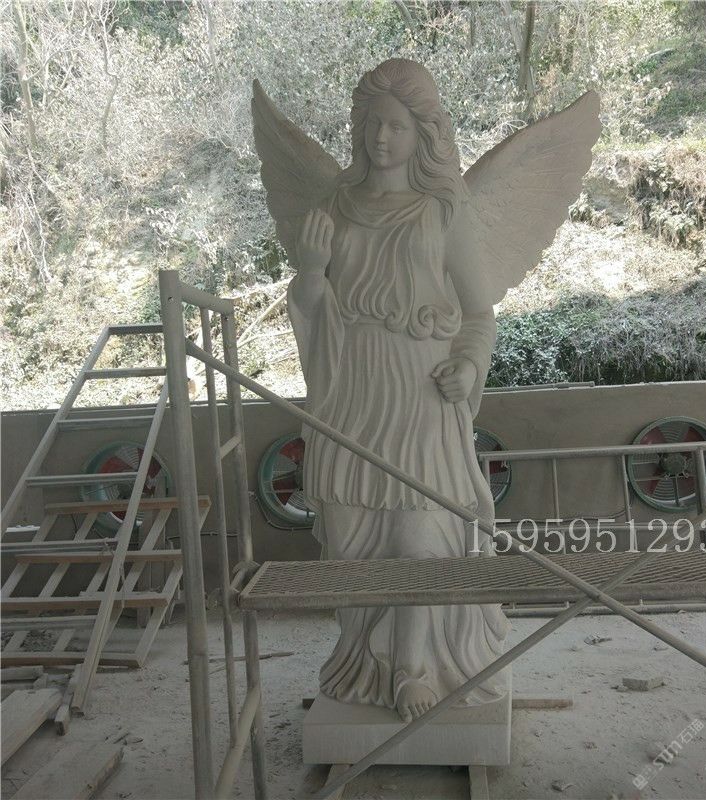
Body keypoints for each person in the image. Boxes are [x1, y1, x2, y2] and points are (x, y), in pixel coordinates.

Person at [287, 59, 508, 723]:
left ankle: (415, 668)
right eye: (371, 123)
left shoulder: (442, 212)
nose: (380, 137)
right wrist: (312, 270)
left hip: (421, 393)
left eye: (395, 125)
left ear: (422, 134)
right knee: (350, 540)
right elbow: (310, 305)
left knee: (422, 537)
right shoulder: (333, 207)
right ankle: (367, 660)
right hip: (351, 391)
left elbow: (480, 313)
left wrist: (468, 365)